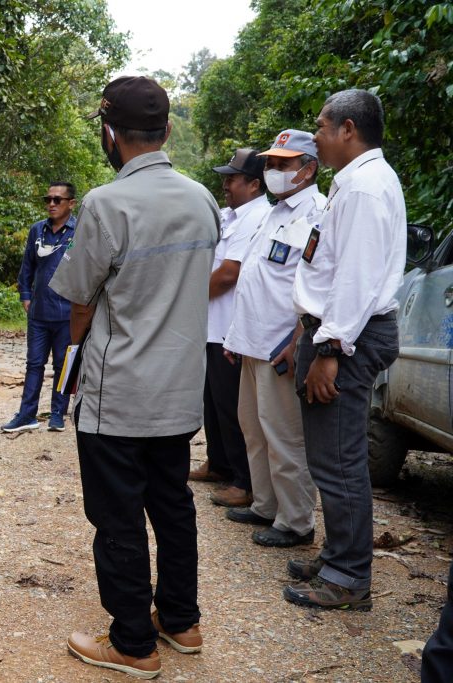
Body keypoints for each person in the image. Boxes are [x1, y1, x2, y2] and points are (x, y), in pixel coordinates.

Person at [51, 76, 220, 679]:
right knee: (172, 503)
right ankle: (181, 621)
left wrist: (73, 364)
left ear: (109, 134)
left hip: (118, 391)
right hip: (179, 390)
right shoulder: (203, 199)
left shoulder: (105, 203)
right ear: (167, 130)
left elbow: (78, 299)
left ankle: (132, 643)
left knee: (118, 514)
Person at [282, 89, 405, 611]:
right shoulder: (354, 183)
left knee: (339, 459)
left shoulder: (367, 188)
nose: (317, 135)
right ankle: (338, 552)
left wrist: (330, 348)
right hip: (336, 331)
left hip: (348, 336)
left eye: (322, 126)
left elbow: (356, 276)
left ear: (348, 129)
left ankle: (348, 576)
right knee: (330, 455)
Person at [222, 130, 325, 548]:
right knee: (254, 427)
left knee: (284, 435)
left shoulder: (318, 212)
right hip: (251, 340)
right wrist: (234, 335)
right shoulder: (273, 212)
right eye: (271, 163)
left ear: (309, 168)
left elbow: (317, 287)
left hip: (281, 344)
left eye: (284, 164)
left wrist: (299, 339)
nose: (274, 171)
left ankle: (296, 521)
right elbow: (254, 278)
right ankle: (265, 504)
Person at [192, 148, 271, 509]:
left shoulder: (258, 217)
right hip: (211, 324)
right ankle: (220, 463)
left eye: (232, 179)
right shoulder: (229, 215)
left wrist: (185, 301)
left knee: (232, 406)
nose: (225, 184)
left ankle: (245, 480)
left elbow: (228, 274)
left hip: (231, 327)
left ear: (254, 184)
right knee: (211, 401)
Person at [1, 182, 77, 433]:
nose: (52, 204)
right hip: (39, 313)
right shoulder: (37, 231)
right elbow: (27, 267)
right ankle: (27, 414)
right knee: (34, 363)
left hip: (68, 313)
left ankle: (58, 413)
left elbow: (87, 269)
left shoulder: (79, 232)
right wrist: (26, 295)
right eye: (48, 199)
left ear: (71, 203)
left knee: (63, 365)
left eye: (58, 200)